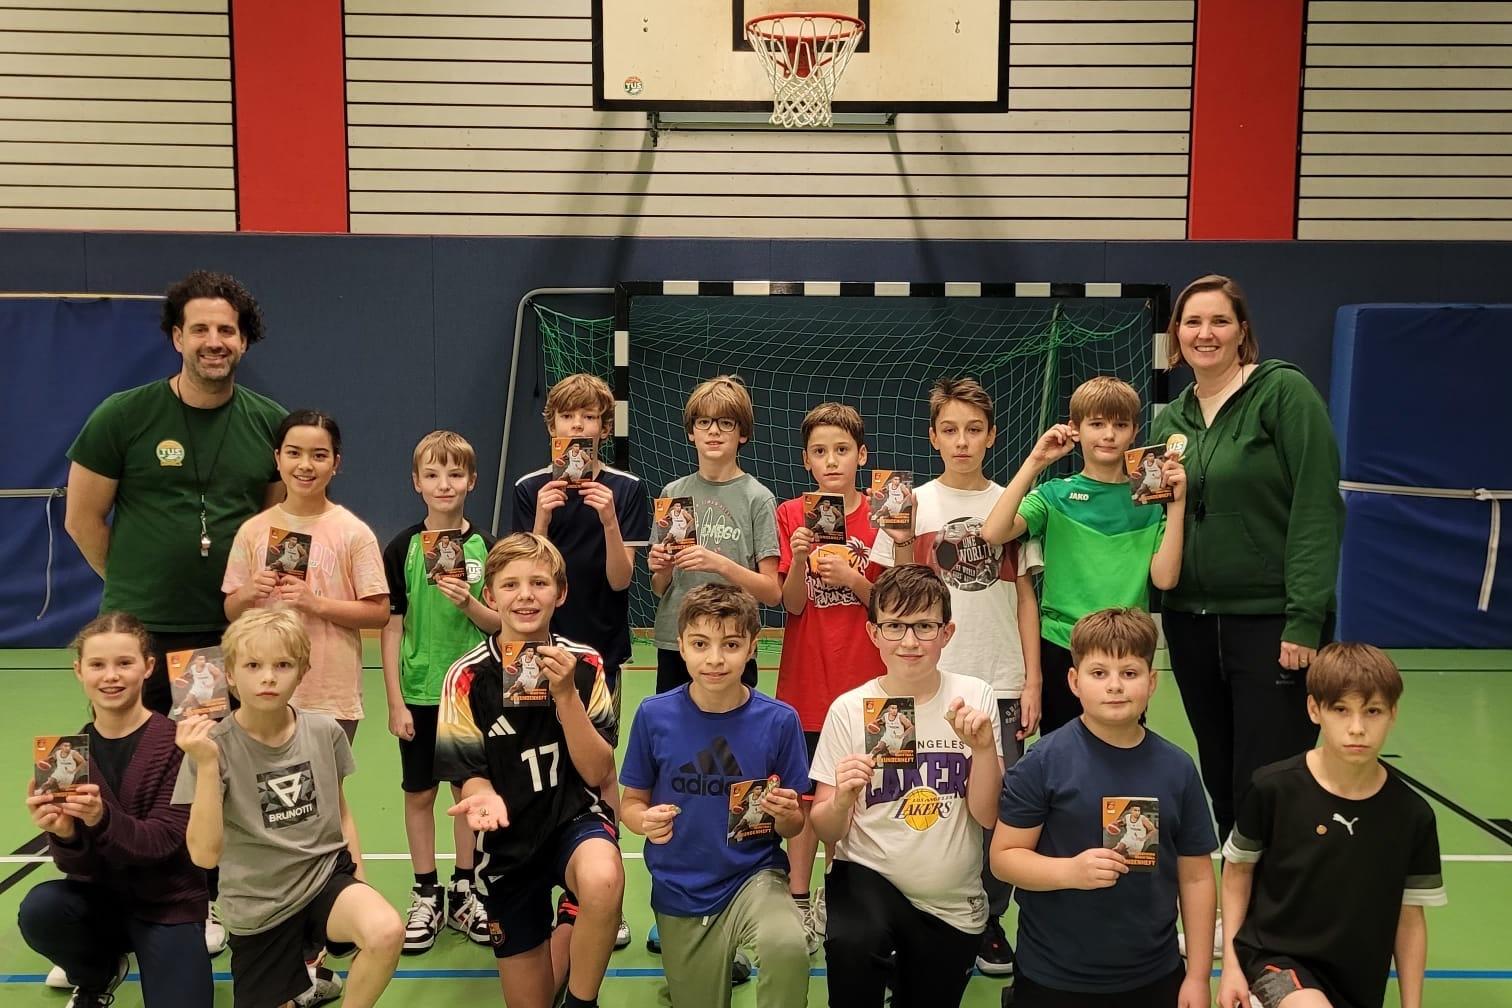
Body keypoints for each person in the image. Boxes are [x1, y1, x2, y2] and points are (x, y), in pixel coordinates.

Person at [1151, 275, 1345, 953]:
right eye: (1191, 322)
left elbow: (1318, 506)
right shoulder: (1167, 422)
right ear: (1175, 335)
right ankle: (1243, 921)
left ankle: (1280, 926)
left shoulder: (1282, 393)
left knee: (1270, 777)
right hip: (1193, 623)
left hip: (1272, 623)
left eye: (1218, 322)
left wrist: (1303, 619)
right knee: (1223, 776)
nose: (1204, 333)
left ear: (1242, 331)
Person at [868, 376, 1039, 977]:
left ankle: (986, 920)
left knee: (995, 811)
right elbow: (886, 596)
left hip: (1001, 681)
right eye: (949, 430)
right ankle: (901, 918)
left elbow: (1024, 600)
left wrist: (1034, 681)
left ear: (991, 436)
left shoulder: (1012, 505)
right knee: (910, 803)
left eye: (973, 430)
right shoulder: (909, 504)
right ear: (933, 436)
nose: (961, 441)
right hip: (921, 683)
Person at [64, 271, 285, 712]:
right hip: (139, 631)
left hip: (228, 630)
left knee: (215, 765)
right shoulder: (122, 416)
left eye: (227, 330)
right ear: (177, 338)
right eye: (200, 329)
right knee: (134, 763)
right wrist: (133, 582)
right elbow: (82, 519)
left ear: (244, 341)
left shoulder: (271, 423)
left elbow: (272, 525)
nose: (214, 341)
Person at [173, 608, 403, 1008]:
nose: (267, 677)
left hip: (324, 878)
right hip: (259, 904)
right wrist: (207, 765)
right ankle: (304, 985)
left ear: (302, 670)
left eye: (282, 664)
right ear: (229, 674)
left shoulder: (324, 731)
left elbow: (341, 811)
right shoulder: (211, 747)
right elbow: (204, 854)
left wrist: (361, 880)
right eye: (253, 665)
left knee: (385, 931)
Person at [993, 607, 1218, 1008]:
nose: (1115, 686)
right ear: (1074, 682)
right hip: (1052, 976)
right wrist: (1070, 871)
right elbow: (1005, 858)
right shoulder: (1042, 762)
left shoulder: (1178, 768)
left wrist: (1198, 977)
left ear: (1152, 683)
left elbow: (1197, 877)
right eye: (1099, 674)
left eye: (1129, 674)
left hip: (1154, 975)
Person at [435, 533, 624, 1008]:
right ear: (490, 595)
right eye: (511, 584)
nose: (525, 595)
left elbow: (599, 769)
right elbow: (469, 774)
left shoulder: (586, 664)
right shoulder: (467, 677)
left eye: (539, 583)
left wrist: (566, 697)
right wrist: (484, 795)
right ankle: (567, 919)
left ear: (560, 594)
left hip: (571, 818)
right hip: (509, 842)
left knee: (603, 879)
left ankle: (583, 1002)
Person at [811, 565, 1005, 1007]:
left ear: (947, 632)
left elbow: (987, 815)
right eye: (895, 626)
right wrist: (841, 797)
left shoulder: (974, 697)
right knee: (853, 946)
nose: (910, 641)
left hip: (952, 903)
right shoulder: (849, 708)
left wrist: (982, 750)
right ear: (873, 632)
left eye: (924, 626)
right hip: (869, 877)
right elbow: (826, 829)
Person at [1218, 643, 1446, 1008]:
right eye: (1341, 710)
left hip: (1357, 978)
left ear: (1393, 714)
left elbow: (1409, 919)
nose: (1357, 728)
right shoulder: (1272, 788)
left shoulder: (1411, 814)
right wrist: (1231, 965)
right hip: (1273, 961)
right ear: (1314, 710)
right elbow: (1237, 872)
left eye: (1372, 711)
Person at [620, 584, 811, 1008]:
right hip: (680, 887)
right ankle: (717, 961)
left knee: (788, 945)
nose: (715, 659)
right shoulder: (654, 715)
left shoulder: (779, 721)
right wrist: (643, 822)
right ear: (680, 646)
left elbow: (796, 823)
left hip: (753, 877)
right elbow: (630, 804)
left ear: (752, 648)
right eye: (700, 644)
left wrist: (786, 814)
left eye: (730, 644)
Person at [513, 372, 649, 952]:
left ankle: (604, 896)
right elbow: (515, 574)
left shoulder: (627, 487)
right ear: (552, 427)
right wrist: (542, 519)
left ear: (602, 427)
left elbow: (622, 579)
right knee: (531, 765)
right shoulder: (529, 487)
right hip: (534, 652)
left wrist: (610, 519)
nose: (577, 426)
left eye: (588, 417)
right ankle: (535, 888)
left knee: (598, 771)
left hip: (600, 649)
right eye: (566, 417)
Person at [19, 612, 212, 1008]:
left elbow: (164, 841)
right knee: (42, 908)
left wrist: (99, 818)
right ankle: (96, 974)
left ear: (148, 667)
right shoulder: (66, 757)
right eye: (97, 665)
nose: (111, 676)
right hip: (101, 902)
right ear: (79, 672)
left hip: (168, 904)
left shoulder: (181, 745)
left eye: (124, 663)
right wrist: (64, 835)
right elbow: (81, 869)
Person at [981, 376, 1186, 736]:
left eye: (1120, 424)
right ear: (1075, 429)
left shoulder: (1150, 500)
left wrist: (1178, 503)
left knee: (1120, 758)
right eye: (1096, 423)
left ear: (1135, 432)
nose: (1108, 434)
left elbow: (1165, 578)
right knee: (1064, 760)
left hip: (1126, 652)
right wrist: (1035, 461)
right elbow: (993, 533)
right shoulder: (1054, 495)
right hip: (1061, 646)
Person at [381, 430, 499, 952]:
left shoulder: (488, 548)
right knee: (420, 792)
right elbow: (389, 626)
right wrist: (394, 699)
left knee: (468, 794)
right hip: (420, 693)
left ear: (472, 481)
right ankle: (425, 891)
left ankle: (465, 888)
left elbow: (500, 624)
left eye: (455, 474)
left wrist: (468, 601)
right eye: (432, 474)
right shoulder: (402, 547)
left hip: (472, 696)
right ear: (416, 483)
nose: (444, 484)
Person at [775, 403, 885, 952]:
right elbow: (791, 605)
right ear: (806, 460)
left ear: (861, 456)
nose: (831, 460)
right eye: (820, 451)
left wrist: (852, 576)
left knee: (851, 796)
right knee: (800, 797)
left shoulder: (883, 515)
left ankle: (835, 893)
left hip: (867, 680)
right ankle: (797, 897)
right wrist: (798, 562)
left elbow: (892, 604)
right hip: (806, 682)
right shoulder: (792, 512)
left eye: (842, 450)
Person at [223, 411, 388, 740]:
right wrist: (248, 592)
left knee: (325, 788)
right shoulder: (253, 531)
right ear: (277, 458)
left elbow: (379, 612)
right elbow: (231, 610)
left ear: (336, 463)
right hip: (262, 687)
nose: (305, 465)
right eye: (294, 453)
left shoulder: (354, 532)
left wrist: (317, 604)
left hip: (328, 693)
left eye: (319, 455)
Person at [648, 375, 781, 694]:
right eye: (704, 422)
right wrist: (662, 568)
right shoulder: (673, 492)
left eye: (725, 423)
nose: (714, 431)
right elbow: (658, 587)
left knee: (732, 740)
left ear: (743, 434)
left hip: (733, 641)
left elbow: (772, 593)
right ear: (692, 433)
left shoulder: (757, 498)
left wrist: (719, 563)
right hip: (678, 639)